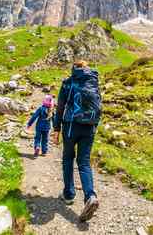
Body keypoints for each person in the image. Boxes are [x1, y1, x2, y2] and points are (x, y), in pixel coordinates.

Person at [53, 60, 101, 222]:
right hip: (89, 127)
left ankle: (69, 194)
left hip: (71, 127)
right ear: (86, 67)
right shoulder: (93, 80)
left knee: (67, 158)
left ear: (74, 68)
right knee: (84, 162)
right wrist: (94, 127)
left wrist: (56, 128)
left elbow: (60, 107)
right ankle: (90, 196)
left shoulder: (68, 82)